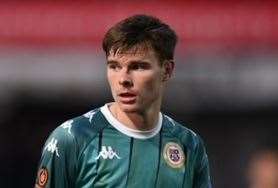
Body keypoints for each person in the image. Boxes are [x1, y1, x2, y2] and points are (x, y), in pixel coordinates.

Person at [35, 14, 212, 188]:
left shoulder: (189, 144)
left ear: (166, 70)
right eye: (114, 66)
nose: (123, 79)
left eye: (137, 67)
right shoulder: (72, 138)